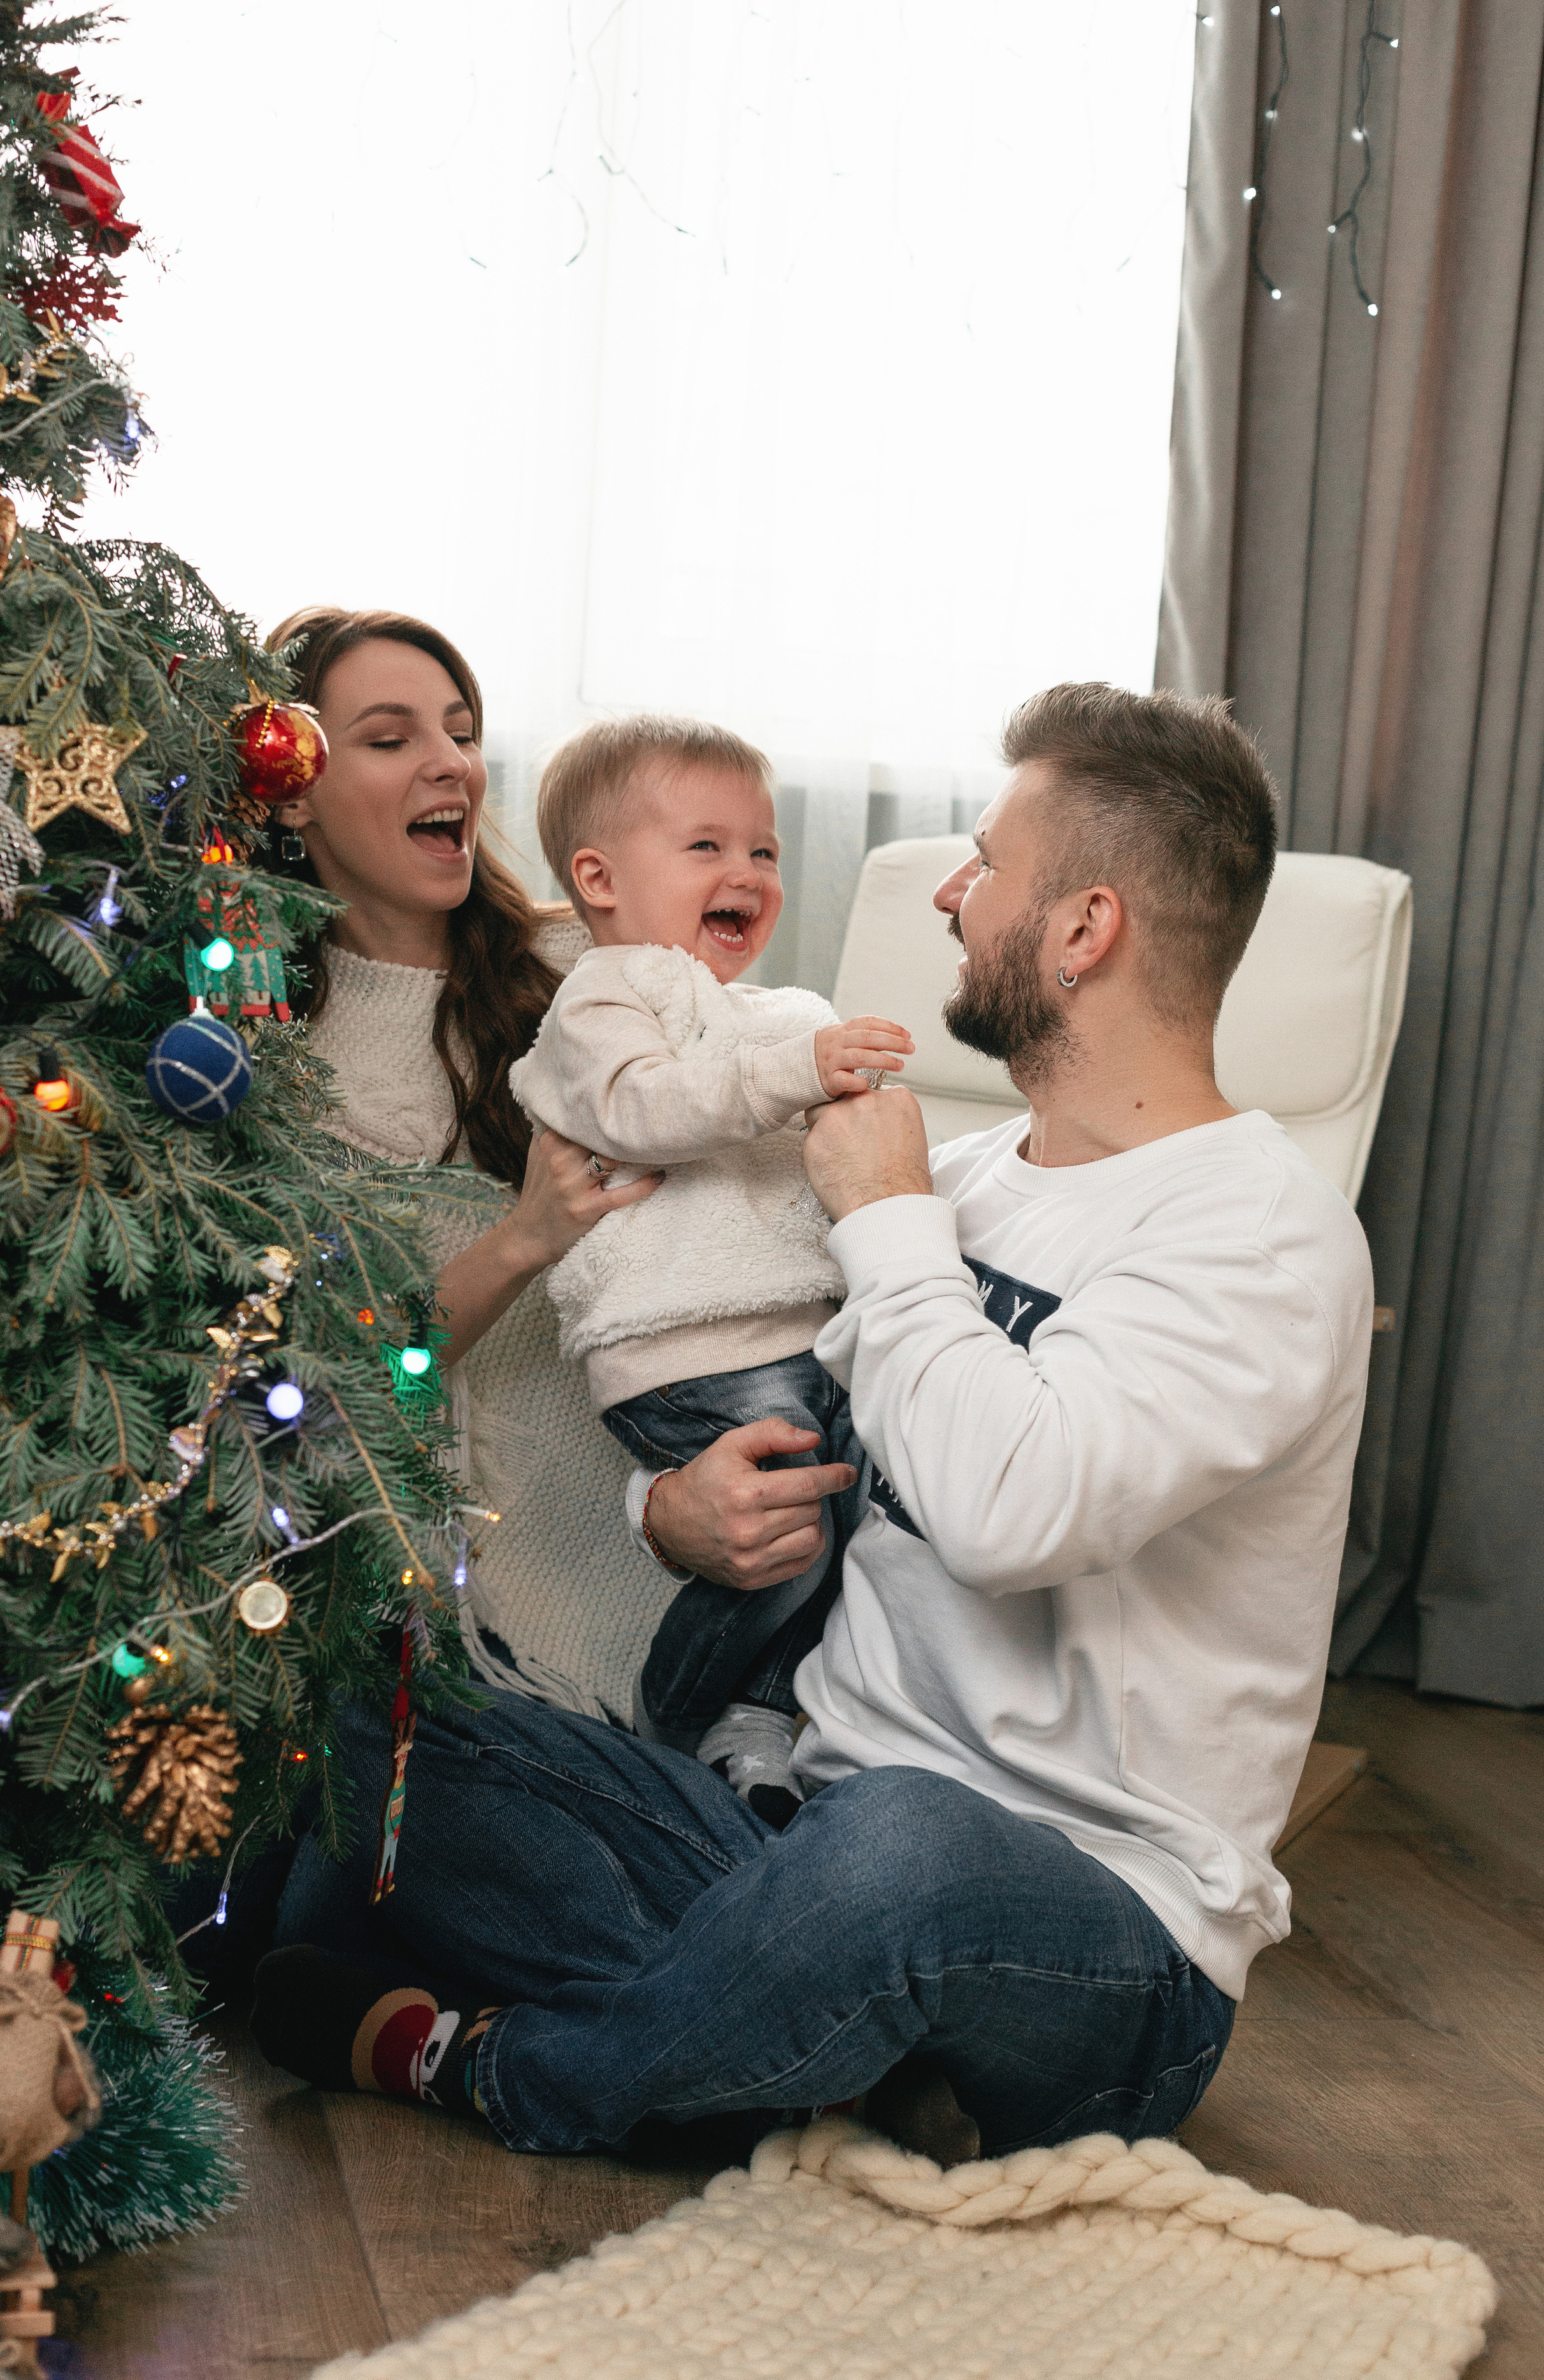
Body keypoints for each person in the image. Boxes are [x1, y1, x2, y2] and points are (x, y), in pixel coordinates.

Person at [255, 681, 1374, 2172]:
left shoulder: (1255, 1231)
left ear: (1083, 929)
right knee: (382, 1734)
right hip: (787, 1833)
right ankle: (805, 2049)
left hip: (1088, 1922)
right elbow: (789, 1414)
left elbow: (1007, 1514)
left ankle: (523, 2066)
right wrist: (665, 1513)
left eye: (985, 865)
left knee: (900, 1852)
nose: (953, 897)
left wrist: (888, 1215)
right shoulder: (954, 1181)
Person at [257, 606, 675, 1725]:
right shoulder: (273, 1069)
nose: (451, 764)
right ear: (291, 790)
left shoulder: (589, 962)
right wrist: (523, 1239)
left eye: (461, 730)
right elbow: (337, 1397)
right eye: (391, 739)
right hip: (494, 1631)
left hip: (711, 1519)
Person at [510, 713, 913, 1823]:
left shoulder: (776, 1015)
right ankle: (674, 1720)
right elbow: (645, 1110)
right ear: (599, 878)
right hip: (683, 1345)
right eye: (707, 847)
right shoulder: (602, 1001)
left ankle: (759, 1712)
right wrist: (797, 1070)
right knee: (788, 1542)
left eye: (764, 850)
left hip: (806, 1333)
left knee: (862, 1510)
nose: (747, 872)